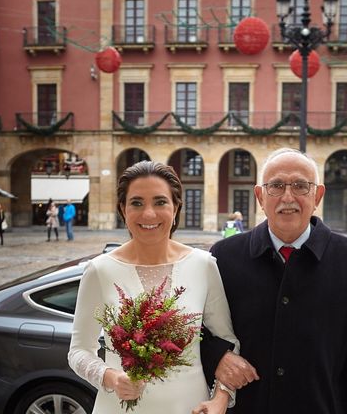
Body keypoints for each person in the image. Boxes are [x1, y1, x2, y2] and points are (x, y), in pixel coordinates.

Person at [201, 148, 347, 413]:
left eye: (300, 185)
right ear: (260, 196)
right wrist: (217, 355)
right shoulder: (223, 257)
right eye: (276, 186)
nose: (288, 197)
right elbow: (195, 329)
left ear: (318, 195)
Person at [68, 161, 238, 414]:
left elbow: (228, 341)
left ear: (176, 207)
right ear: (122, 209)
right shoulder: (99, 270)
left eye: (160, 202)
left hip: (190, 407)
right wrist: (111, 378)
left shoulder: (203, 265)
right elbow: (79, 351)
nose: (149, 214)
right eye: (137, 203)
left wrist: (221, 398)